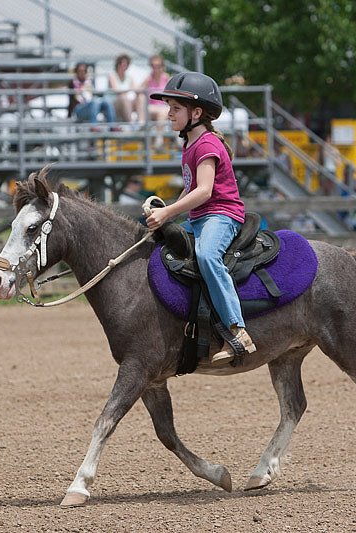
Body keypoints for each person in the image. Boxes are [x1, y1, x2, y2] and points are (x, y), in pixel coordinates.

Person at [145, 71, 255, 366]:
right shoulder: (189, 145)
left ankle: (237, 329)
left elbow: (205, 191)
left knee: (207, 256)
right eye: (169, 107)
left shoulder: (206, 145)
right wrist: (166, 211)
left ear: (196, 113)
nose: (169, 114)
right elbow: (189, 188)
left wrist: (168, 212)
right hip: (199, 217)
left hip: (221, 215)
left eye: (175, 108)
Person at [108, 54, 137, 123]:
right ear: (118, 64)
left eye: (126, 65)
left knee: (141, 98)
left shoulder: (129, 77)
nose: (124, 67)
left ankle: (142, 125)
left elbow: (136, 89)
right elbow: (117, 91)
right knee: (123, 97)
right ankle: (131, 124)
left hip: (127, 102)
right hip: (114, 105)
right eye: (122, 64)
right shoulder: (112, 76)